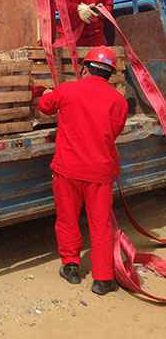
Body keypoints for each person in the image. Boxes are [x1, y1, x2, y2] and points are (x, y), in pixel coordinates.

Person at [37, 46, 128, 295]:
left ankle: (71, 267)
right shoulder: (118, 102)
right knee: (101, 225)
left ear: (86, 69)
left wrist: (45, 93)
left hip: (67, 171)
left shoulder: (67, 90)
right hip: (99, 173)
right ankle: (103, 279)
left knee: (68, 219)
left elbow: (44, 106)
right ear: (109, 73)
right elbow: (113, 132)